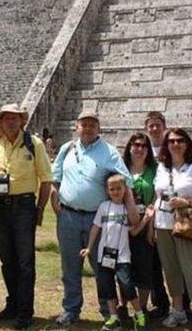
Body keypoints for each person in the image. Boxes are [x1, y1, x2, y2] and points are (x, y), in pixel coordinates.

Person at [50, 110, 131, 326]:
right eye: (84, 124)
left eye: (92, 125)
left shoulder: (109, 152)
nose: (88, 128)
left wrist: (128, 210)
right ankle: (71, 309)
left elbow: (127, 181)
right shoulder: (67, 149)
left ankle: (108, 310)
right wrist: (53, 195)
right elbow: (55, 176)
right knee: (70, 266)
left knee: (102, 266)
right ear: (77, 127)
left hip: (98, 217)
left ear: (99, 128)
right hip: (68, 215)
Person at [0, 103, 52, 329]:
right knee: (7, 260)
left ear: (21, 121)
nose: (11, 122)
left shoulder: (34, 144)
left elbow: (46, 179)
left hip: (24, 206)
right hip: (0, 207)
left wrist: (40, 208)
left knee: (25, 262)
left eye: (14, 118)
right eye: (6, 119)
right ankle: (12, 303)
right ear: (1, 123)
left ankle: (25, 311)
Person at [151, 128, 192, 331]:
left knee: (191, 268)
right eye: (171, 141)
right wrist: (151, 225)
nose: (175, 144)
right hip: (163, 223)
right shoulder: (162, 168)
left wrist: (187, 201)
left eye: (179, 140)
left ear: (187, 143)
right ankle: (177, 310)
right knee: (171, 269)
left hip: (185, 224)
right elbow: (156, 196)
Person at [80, 173, 149, 331]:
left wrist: (146, 220)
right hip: (105, 255)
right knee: (106, 286)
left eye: (119, 188)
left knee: (126, 285)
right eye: (112, 189)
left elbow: (134, 229)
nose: (115, 191)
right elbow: (96, 228)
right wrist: (89, 247)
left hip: (122, 256)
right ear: (107, 190)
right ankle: (113, 317)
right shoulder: (104, 207)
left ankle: (139, 314)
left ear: (125, 189)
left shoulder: (127, 209)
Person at [122, 133, 157, 316]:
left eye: (144, 146)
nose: (140, 149)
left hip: (146, 222)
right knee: (123, 266)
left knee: (144, 266)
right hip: (123, 224)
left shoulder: (154, 169)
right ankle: (123, 305)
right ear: (129, 147)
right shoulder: (121, 169)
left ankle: (141, 308)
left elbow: (155, 200)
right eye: (136, 145)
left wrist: (150, 227)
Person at [143, 111, 171, 319]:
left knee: (175, 263)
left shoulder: (172, 147)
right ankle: (160, 303)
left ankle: (184, 304)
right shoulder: (143, 149)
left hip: (169, 212)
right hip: (148, 213)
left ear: (164, 126)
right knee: (152, 264)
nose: (154, 129)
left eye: (157, 125)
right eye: (151, 126)